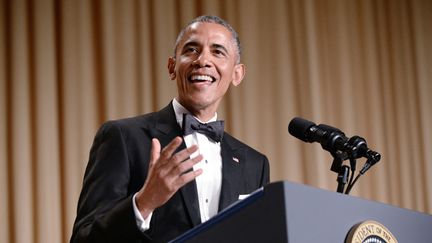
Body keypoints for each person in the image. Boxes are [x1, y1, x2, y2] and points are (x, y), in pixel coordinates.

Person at [70, 15, 270, 243]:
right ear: (172, 66)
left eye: (218, 52)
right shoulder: (123, 137)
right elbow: (83, 239)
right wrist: (144, 203)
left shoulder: (255, 164)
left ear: (237, 74)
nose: (203, 60)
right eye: (191, 50)